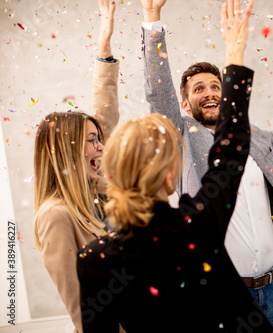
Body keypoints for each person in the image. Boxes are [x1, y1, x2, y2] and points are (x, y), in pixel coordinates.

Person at [140, 1, 273, 330]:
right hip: (219, 296)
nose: (211, 93)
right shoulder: (181, 135)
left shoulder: (256, 138)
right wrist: (152, 19)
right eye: (199, 89)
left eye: (216, 86)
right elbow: (159, 94)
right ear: (185, 103)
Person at [77, 1, 273, 332]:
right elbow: (230, 150)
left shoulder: (95, 260)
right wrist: (235, 53)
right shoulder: (197, 228)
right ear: (169, 176)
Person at [32, 1, 120, 332]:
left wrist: (104, 47)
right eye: (92, 141)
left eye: (100, 138)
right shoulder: (55, 215)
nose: (101, 146)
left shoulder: (97, 193)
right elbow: (81, 307)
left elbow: (105, 113)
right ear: (66, 152)